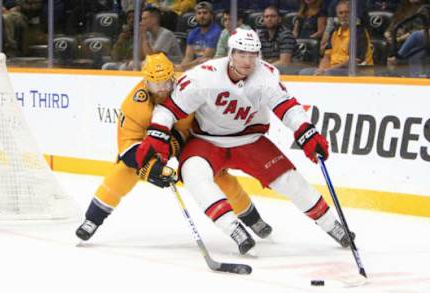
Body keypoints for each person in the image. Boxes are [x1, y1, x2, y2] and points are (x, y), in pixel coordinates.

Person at [135, 28, 355, 255]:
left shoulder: (266, 75)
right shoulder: (203, 76)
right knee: (192, 173)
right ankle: (234, 228)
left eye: (253, 55)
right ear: (231, 53)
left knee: (289, 180)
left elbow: (287, 107)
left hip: (249, 139)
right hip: (207, 140)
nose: (248, 61)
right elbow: (168, 109)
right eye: (242, 54)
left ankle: (333, 225)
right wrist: (156, 135)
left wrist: (306, 131)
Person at [76, 53, 272, 247]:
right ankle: (92, 219)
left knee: (216, 174)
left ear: (173, 77)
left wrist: (166, 150)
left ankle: (252, 218)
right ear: (146, 82)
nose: (162, 89)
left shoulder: (186, 91)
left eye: (166, 82)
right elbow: (128, 148)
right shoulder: (133, 105)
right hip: (147, 143)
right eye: (155, 84)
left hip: (187, 139)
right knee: (122, 172)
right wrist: (152, 168)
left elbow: (186, 131)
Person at [299, 0, 374, 76]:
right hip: (334, 69)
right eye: (341, 13)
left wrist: (327, 70)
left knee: (328, 74)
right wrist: (321, 70)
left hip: (356, 71)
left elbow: (352, 62)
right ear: (337, 16)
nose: (344, 15)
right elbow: (326, 56)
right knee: (304, 72)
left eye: (347, 12)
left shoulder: (358, 32)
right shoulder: (334, 32)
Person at [176, 1, 221, 72]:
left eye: (205, 13)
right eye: (199, 13)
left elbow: (205, 58)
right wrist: (179, 71)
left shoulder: (216, 32)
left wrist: (183, 67)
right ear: (195, 16)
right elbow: (188, 57)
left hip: (211, 69)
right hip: (195, 68)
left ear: (212, 16)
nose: (202, 16)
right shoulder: (193, 33)